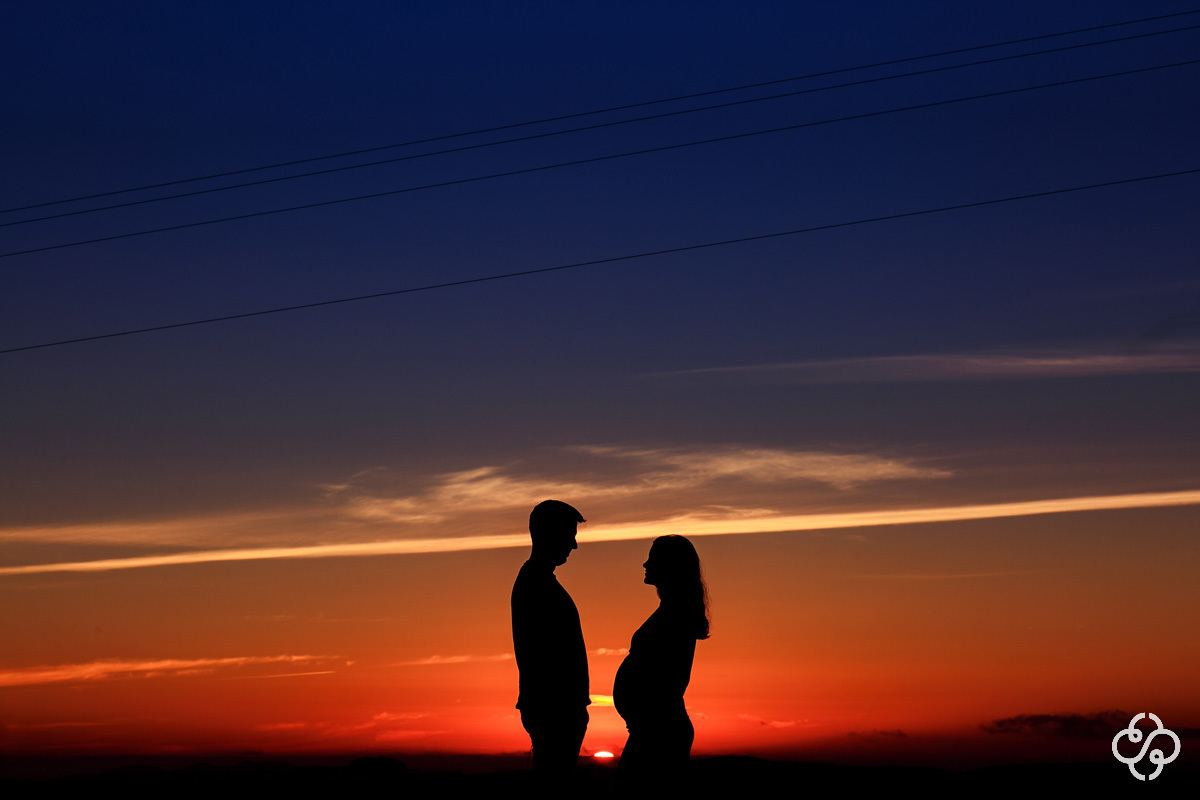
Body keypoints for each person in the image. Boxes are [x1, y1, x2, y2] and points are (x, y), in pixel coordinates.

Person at [613, 535, 709, 792]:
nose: (645, 564)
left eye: (653, 558)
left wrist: (644, 716)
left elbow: (672, 679)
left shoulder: (676, 616)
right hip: (652, 728)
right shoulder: (671, 611)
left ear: (670, 566)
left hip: (658, 731)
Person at [511, 500, 589, 784]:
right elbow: (540, 654)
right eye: (570, 536)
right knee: (554, 789)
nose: (574, 546)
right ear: (549, 534)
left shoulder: (539, 582)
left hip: (557, 709)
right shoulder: (535, 585)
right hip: (554, 711)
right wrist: (566, 708)